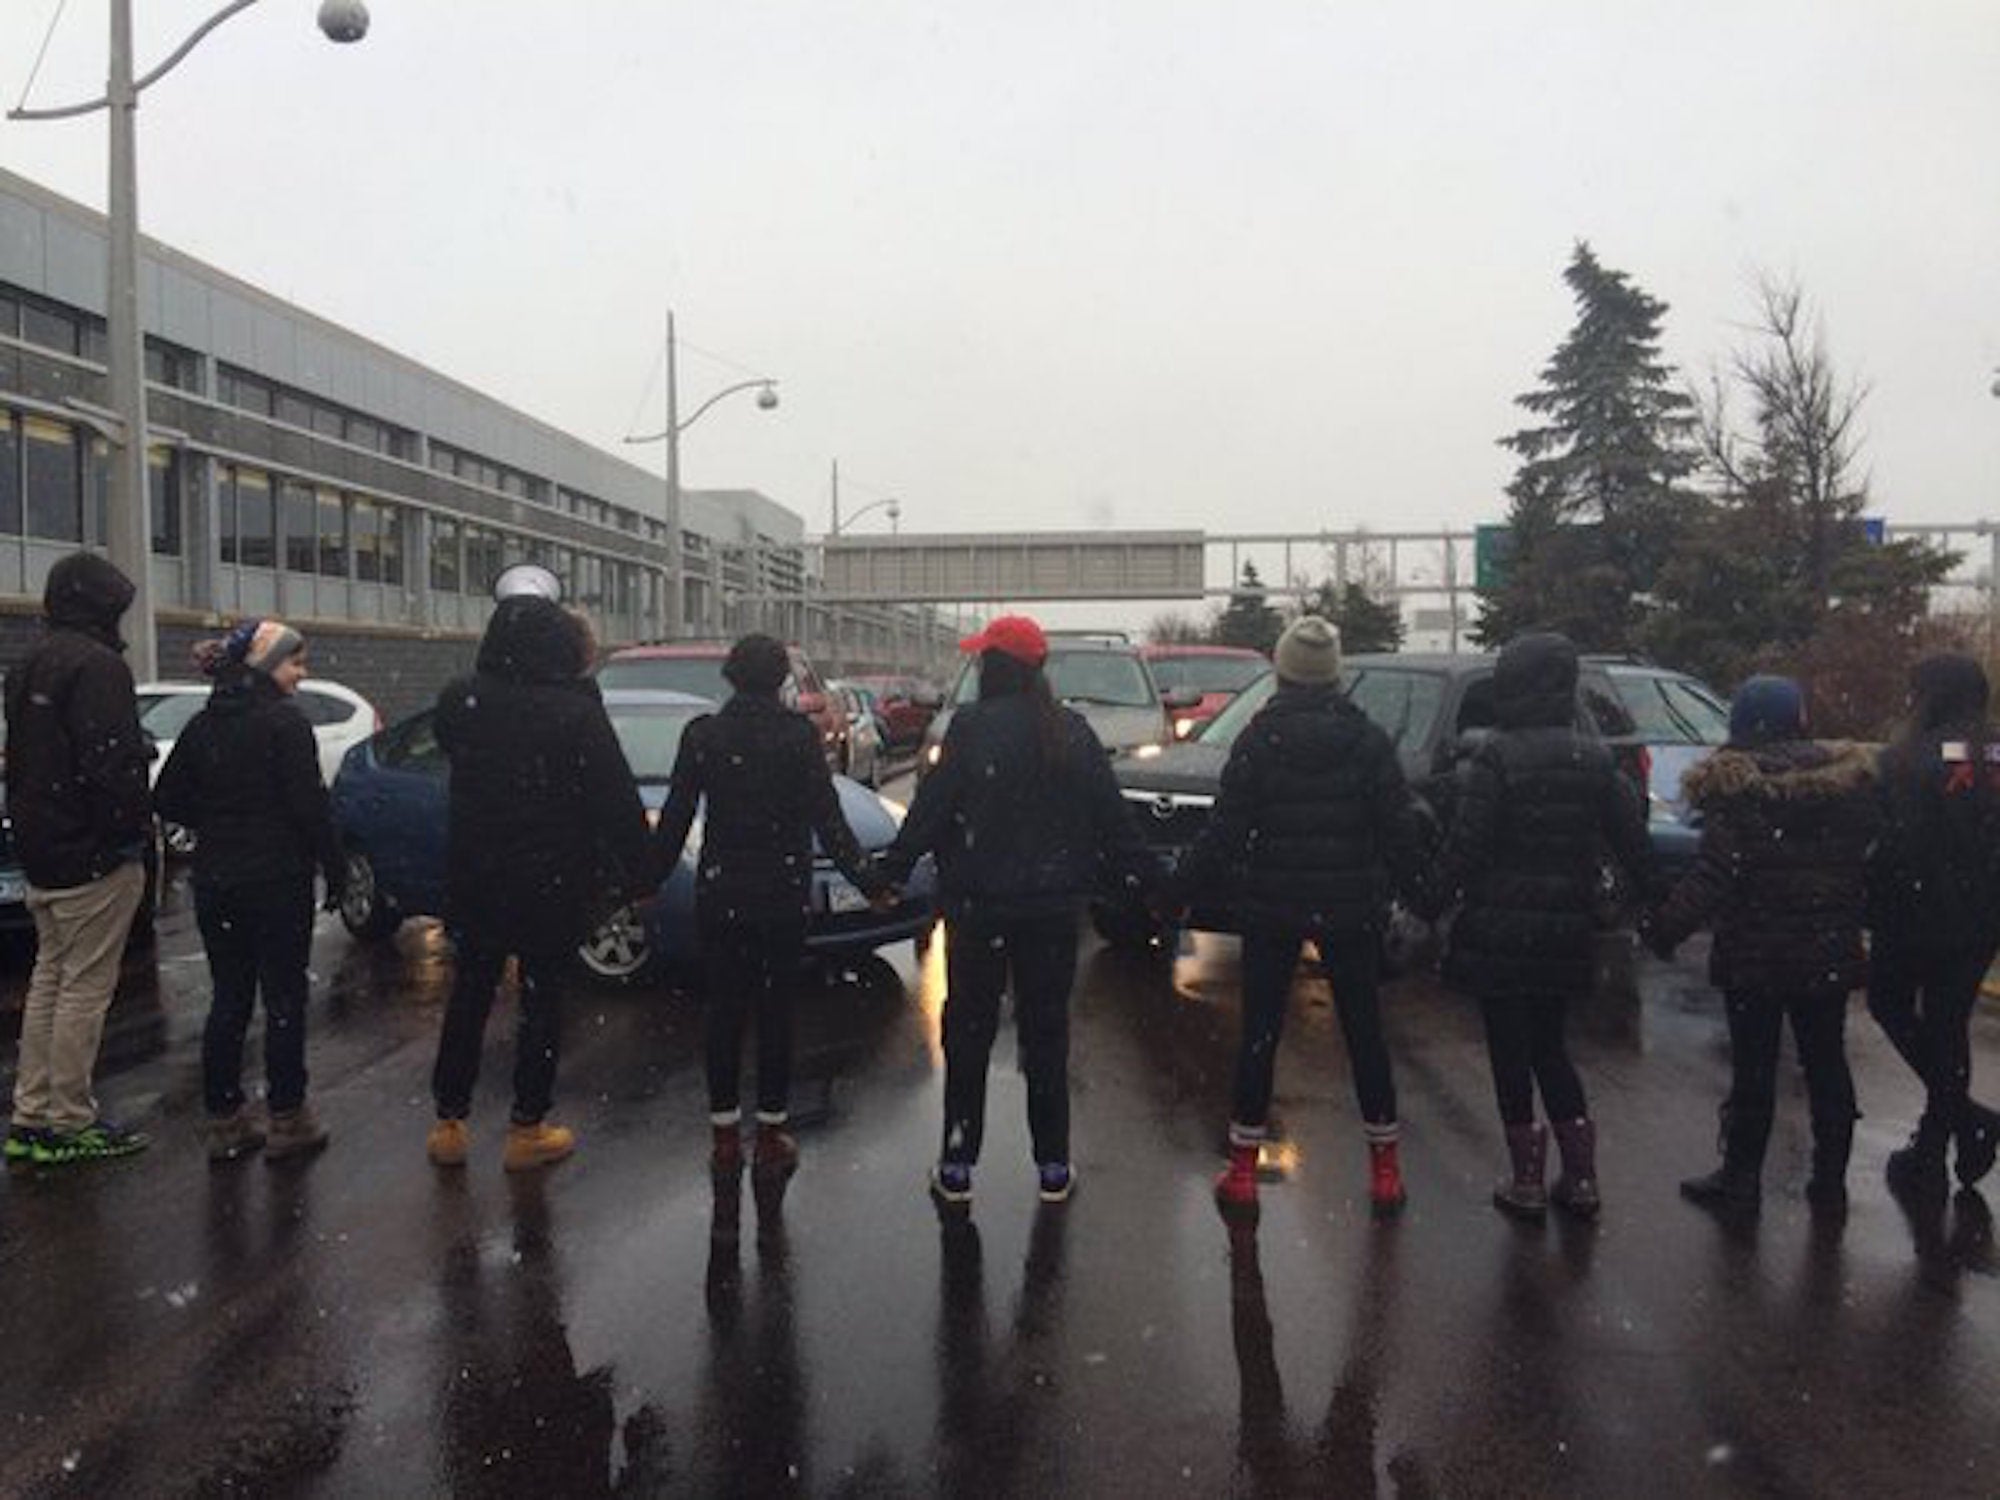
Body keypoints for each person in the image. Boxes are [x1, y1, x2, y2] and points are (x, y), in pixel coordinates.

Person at [876, 615, 1164, 1209]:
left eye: (984, 658)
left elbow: (930, 810)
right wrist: (1160, 884)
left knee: (970, 1034)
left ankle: (958, 1164)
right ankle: (1052, 1165)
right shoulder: (1070, 731)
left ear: (996, 667)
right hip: (1053, 912)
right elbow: (1114, 822)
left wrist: (889, 873)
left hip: (978, 909)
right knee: (1046, 1034)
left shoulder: (971, 729)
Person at [1173, 615, 1425, 1217]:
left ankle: (1240, 1170)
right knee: (1365, 1035)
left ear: (1283, 671)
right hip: (1351, 908)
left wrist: (1177, 887)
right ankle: (1385, 1171)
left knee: (1259, 1036)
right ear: (1335, 677)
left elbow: (1227, 832)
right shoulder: (1367, 740)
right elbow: (1398, 829)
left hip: (1272, 906)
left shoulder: (1260, 740)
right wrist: (1425, 890)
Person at [1425, 632, 1652, 1221]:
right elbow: (1634, 846)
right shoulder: (1595, 759)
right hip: (1564, 929)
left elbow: (1465, 849)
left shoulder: (1497, 756)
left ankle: (1526, 1177)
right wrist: (1663, 911)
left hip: (1499, 928)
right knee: (1553, 1048)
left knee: (1509, 1051)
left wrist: (1426, 901)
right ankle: (1581, 1177)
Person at [651, 633, 886, 1200]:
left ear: (729, 677)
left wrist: (644, 881)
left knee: (724, 1012)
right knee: (777, 1012)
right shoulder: (796, 739)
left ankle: (724, 1136)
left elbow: (677, 820)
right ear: (781, 679)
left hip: (721, 891)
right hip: (781, 894)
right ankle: (772, 1134)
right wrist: (870, 882)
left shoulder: (703, 736)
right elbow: (828, 821)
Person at [426, 595, 649, 1172]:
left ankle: (449, 1121)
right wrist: (641, 870)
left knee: (470, 991)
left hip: (477, 873)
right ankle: (527, 1126)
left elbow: (452, 745)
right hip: (550, 877)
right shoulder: (573, 712)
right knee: (542, 998)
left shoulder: (463, 700)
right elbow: (615, 797)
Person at [1645, 676, 1879, 1215]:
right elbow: (1871, 865)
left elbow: (1713, 875)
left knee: (1755, 1069)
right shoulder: (1849, 785)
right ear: (1800, 718)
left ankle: (1741, 1179)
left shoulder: (1737, 789)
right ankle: (1830, 1181)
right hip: (1826, 950)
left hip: (1755, 953)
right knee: (1826, 1062)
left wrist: (1663, 929)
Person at [154, 619, 345, 1161]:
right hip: (277, 878)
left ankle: (225, 1118)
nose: (302, 676)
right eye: (295, 662)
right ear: (266, 664)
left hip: (217, 880)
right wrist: (333, 865)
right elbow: (310, 807)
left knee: (229, 998)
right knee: (284, 997)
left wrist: (217, 822)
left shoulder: (203, 725)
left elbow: (167, 797)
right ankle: (288, 1116)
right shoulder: (284, 725)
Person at [2, 553, 153, 1167]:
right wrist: (128, 835)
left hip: (43, 850)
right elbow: (110, 765)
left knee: (50, 981)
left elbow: (33, 757)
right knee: (84, 990)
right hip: (91, 855)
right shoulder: (99, 667)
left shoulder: (29, 663)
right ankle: (68, 1117)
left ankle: (32, 1111)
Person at [1867, 652, 2000, 1196]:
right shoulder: (1992, 749)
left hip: (1918, 911)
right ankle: (1945, 1133)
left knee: (1890, 1004)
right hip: (1981, 912)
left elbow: (1897, 844)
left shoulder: (1905, 758)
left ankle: (1955, 1128)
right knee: (1948, 1022)